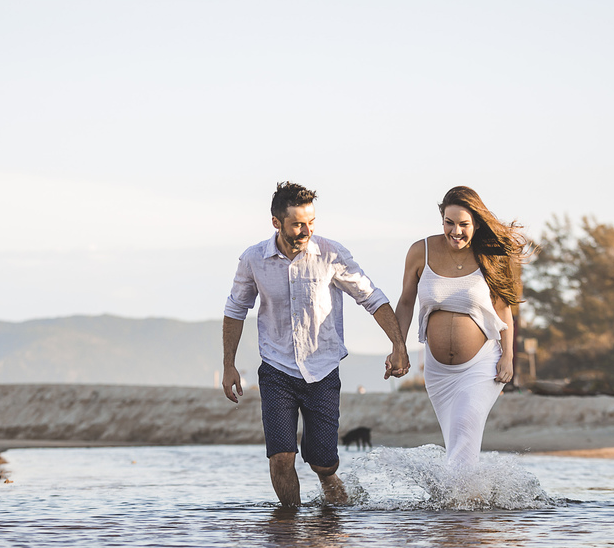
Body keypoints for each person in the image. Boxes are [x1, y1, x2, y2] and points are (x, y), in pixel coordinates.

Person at [223, 182, 411, 508]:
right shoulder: (254, 259)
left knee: (324, 463)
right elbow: (235, 309)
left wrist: (398, 345)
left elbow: (371, 297)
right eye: (297, 224)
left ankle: (331, 494)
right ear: (276, 222)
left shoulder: (331, 253)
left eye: (311, 222)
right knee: (281, 457)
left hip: (322, 369)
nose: (306, 230)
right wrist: (228, 364)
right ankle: (290, 532)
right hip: (277, 369)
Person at [390, 186, 531, 469]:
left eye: (464, 225)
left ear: (476, 223)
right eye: (449, 223)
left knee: (465, 428)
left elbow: (504, 309)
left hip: (481, 365)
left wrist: (508, 357)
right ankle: (470, 504)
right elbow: (405, 302)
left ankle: (460, 506)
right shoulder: (421, 252)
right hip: (438, 371)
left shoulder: (490, 255)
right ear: (442, 219)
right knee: (456, 441)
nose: (456, 231)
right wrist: (398, 347)